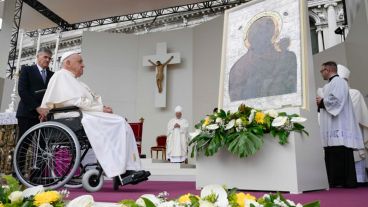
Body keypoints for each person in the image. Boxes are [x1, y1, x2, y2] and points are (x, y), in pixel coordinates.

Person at [40, 51, 150, 186]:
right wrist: (100, 109)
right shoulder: (61, 76)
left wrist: (102, 108)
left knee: (122, 123)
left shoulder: (74, 80)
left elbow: (84, 101)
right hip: (71, 118)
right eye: (79, 62)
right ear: (67, 63)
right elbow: (74, 101)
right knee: (118, 122)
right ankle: (122, 171)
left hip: (80, 115)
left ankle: (128, 169)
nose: (83, 65)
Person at [316, 61, 364, 188]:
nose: (321, 73)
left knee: (340, 151)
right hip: (331, 125)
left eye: (322, 71)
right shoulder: (329, 85)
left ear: (328, 70)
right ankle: (336, 181)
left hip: (339, 126)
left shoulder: (339, 82)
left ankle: (345, 182)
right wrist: (320, 103)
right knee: (332, 152)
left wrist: (322, 101)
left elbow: (336, 100)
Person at [229, 13, 297, 101]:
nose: (263, 38)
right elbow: (236, 95)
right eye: (259, 34)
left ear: (271, 35)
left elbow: (290, 85)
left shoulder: (285, 58)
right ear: (252, 38)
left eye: (266, 33)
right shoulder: (240, 66)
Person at [337, 64, 368, 184]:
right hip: (337, 136)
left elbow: (352, 114)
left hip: (352, 134)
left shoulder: (354, 93)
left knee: (357, 175)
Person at [16, 48, 54, 138]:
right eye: (45, 57)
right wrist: (37, 108)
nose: (48, 60)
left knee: (43, 146)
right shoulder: (27, 70)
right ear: (38, 57)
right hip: (27, 113)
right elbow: (22, 91)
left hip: (44, 116)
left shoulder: (52, 75)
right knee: (24, 144)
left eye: (49, 58)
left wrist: (46, 110)